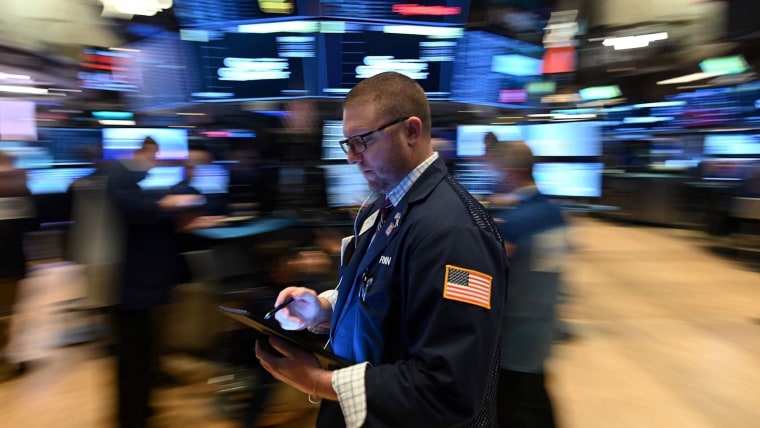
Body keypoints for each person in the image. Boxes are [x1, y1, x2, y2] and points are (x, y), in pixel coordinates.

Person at [255, 71, 509, 428]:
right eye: (348, 143)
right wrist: (324, 309)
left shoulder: (455, 233)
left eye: (362, 141)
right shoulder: (382, 208)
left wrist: (315, 381)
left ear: (411, 131)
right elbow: (380, 298)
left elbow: (449, 388)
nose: (352, 157)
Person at [102, 136, 206, 428]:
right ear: (140, 151)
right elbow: (134, 210)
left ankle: (141, 409)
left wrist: (172, 208)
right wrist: (167, 205)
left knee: (143, 354)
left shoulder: (133, 181)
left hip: (142, 289)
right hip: (130, 289)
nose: (155, 162)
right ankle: (132, 418)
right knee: (133, 358)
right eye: (152, 155)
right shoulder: (117, 175)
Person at [485, 140, 569, 428]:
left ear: (509, 171)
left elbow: (486, 278)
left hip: (513, 338)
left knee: (514, 409)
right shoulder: (553, 213)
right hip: (542, 328)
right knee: (536, 402)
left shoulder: (513, 225)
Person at [0, 151, 37, 381]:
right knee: (7, 312)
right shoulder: (18, 188)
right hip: (10, 262)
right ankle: (7, 359)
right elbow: (32, 224)